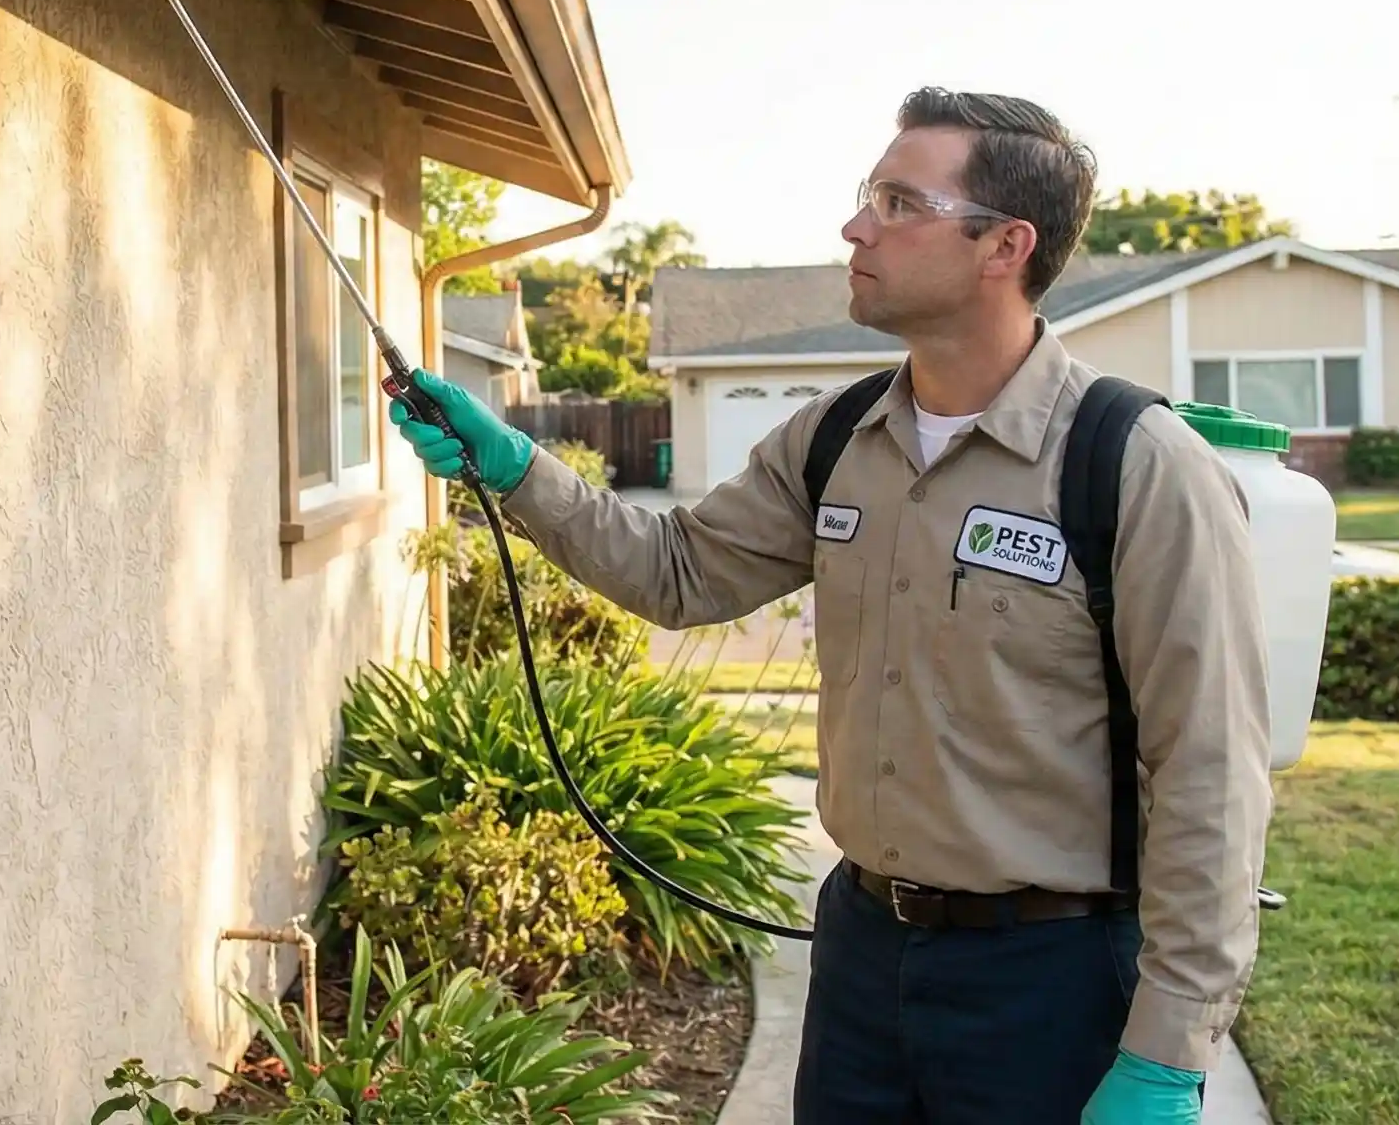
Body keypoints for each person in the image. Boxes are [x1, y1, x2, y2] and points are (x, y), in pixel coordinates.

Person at [393, 88, 1270, 1125]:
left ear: (1004, 246)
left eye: (900, 202)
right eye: (868, 196)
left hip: (1054, 981)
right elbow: (676, 572)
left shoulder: (1131, 465)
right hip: (862, 955)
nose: (857, 226)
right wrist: (514, 468)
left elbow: (1209, 771)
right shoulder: (837, 438)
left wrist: (1167, 1052)